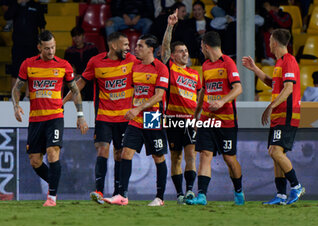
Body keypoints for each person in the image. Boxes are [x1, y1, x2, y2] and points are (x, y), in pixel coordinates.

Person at [11, 30, 88, 207]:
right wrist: (16, 105)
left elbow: (75, 91)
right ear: (39, 47)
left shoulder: (64, 65)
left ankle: (51, 198)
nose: (51, 51)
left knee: (53, 152)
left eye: (53, 47)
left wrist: (80, 115)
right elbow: (17, 88)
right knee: (35, 160)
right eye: (47, 48)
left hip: (55, 116)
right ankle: (55, 182)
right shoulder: (28, 64)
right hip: (36, 119)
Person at [63, 32, 138, 204]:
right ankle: (98, 191)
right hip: (104, 116)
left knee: (120, 154)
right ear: (114, 46)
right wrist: (63, 102)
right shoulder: (96, 62)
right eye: (125, 45)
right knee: (102, 149)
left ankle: (118, 193)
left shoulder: (132, 61)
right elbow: (79, 84)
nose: (128, 48)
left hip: (125, 118)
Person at [103, 34, 169, 207]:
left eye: (140, 46)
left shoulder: (161, 68)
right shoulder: (136, 67)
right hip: (136, 118)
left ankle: (160, 197)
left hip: (153, 116)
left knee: (158, 156)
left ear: (150, 49)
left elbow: (159, 95)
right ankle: (122, 195)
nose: (136, 49)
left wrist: (138, 108)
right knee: (126, 153)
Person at [242, 28, 305, 205]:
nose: (268, 43)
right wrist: (255, 69)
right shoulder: (280, 63)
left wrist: (271, 106)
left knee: (275, 151)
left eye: (270, 40)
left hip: (287, 114)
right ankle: (281, 195)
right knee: (275, 152)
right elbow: (273, 83)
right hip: (279, 115)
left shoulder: (289, 61)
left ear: (275, 43)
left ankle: (296, 185)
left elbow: (288, 88)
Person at [186, 31, 244, 206]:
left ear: (206, 46)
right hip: (206, 119)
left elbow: (238, 88)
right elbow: (204, 91)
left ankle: (239, 191)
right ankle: (202, 196)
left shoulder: (228, 63)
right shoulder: (205, 65)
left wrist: (222, 101)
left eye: (201, 47)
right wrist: (196, 115)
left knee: (229, 159)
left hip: (226, 121)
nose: (201, 50)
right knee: (205, 154)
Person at [161, 10, 201, 204]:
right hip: (173, 119)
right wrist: (170, 26)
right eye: (181, 51)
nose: (184, 53)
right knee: (176, 157)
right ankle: (179, 194)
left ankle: (190, 190)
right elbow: (165, 48)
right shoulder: (170, 68)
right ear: (174, 56)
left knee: (191, 154)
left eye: (186, 51)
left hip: (191, 120)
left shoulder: (195, 74)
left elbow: (200, 96)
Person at [5, 0, 46, 98]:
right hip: (18, 45)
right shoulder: (15, 5)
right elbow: (7, 16)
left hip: (32, 45)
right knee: (16, 71)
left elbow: (42, 25)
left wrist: (43, 42)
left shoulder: (36, 6)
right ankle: (15, 96)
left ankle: (28, 97)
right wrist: (18, 3)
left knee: (31, 71)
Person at [64, 26, 98, 101]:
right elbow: (68, 68)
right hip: (76, 78)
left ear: (83, 36)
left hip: (89, 77)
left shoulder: (92, 48)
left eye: (78, 35)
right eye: (74, 36)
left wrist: (85, 76)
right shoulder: (69, 51)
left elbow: (96, 65)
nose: (76, 39)